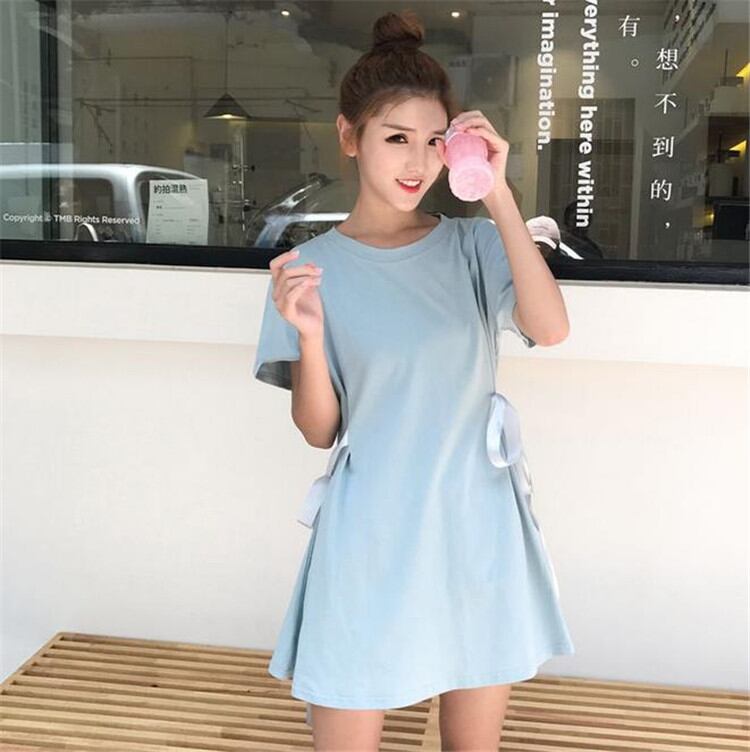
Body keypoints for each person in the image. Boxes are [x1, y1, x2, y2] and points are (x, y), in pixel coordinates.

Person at [253, 10, 574, 751]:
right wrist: (309, 335)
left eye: (435, 142)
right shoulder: (310, 269)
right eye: (396, 137)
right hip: (368, 535)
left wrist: (497, 193)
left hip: (476, 527)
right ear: (349, 136)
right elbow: (319, 431)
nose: (416, 162)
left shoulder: (474, 245)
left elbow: (551, 328)